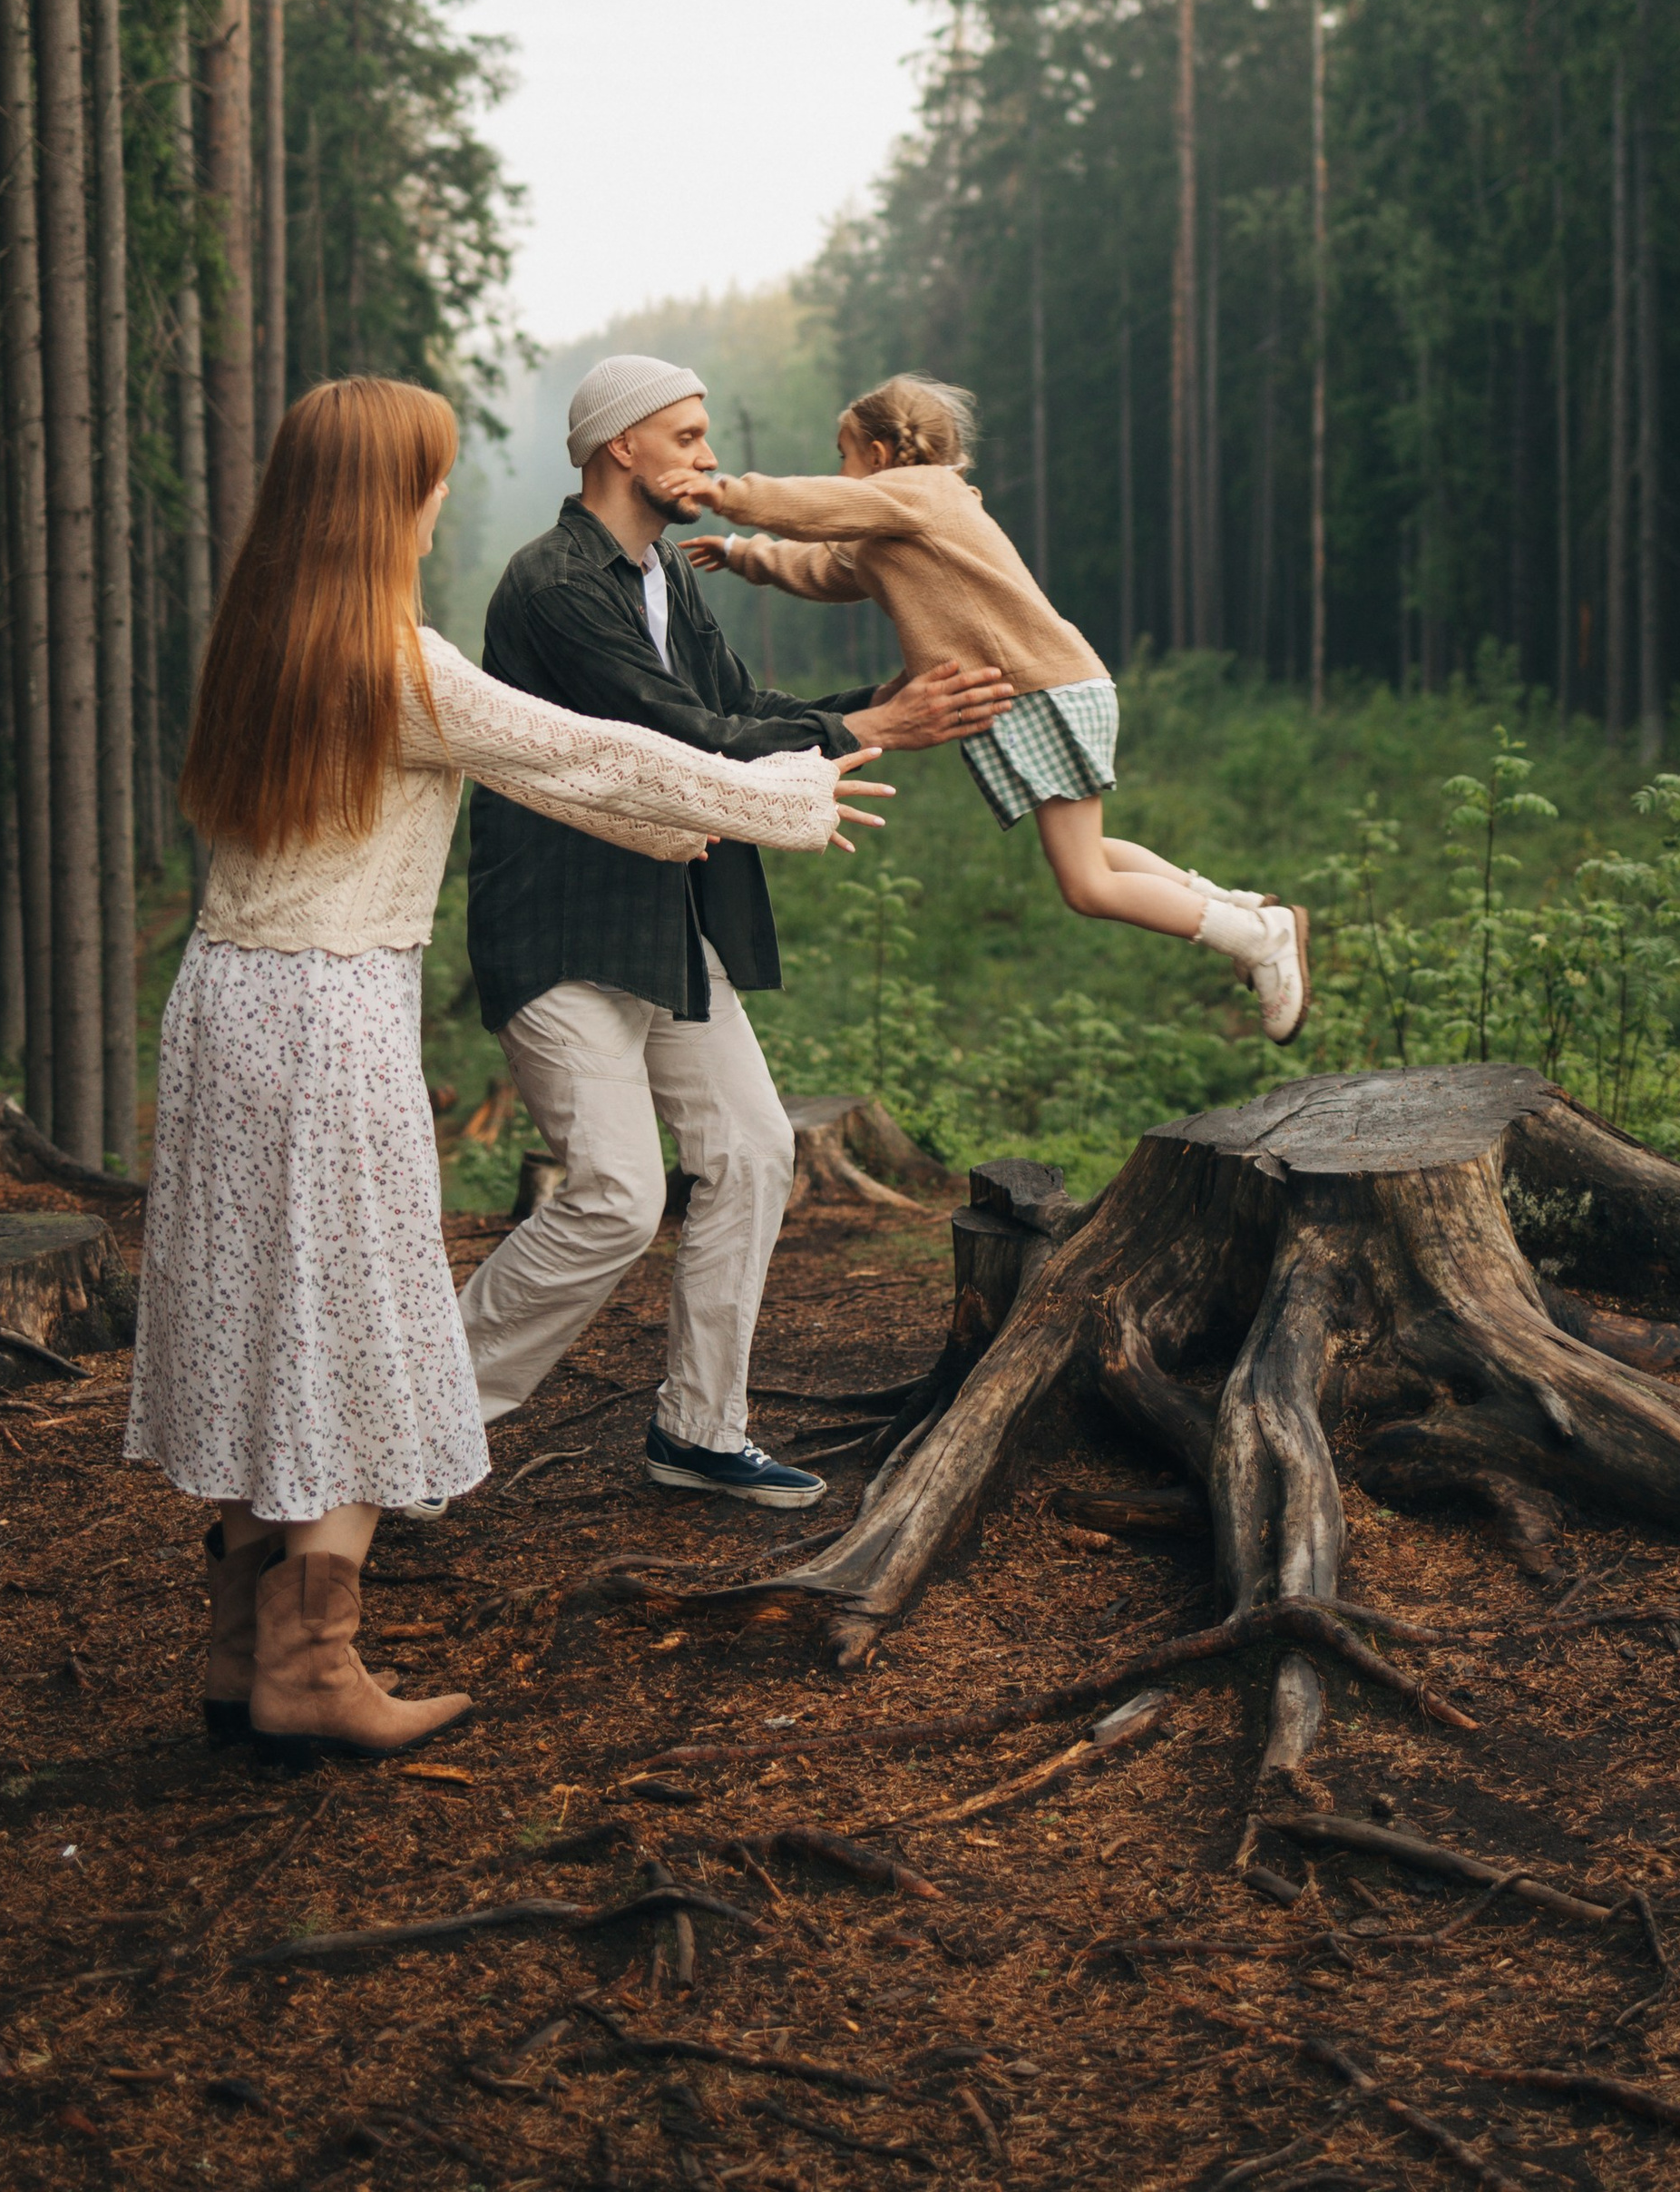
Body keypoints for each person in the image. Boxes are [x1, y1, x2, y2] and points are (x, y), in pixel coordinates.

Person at [124, 374, 884, 1767]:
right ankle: (313, 1662)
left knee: (248, 1319)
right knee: (355, 1325)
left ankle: (239, 1651)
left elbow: (576, 785)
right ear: (380, 504)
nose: (435, 508)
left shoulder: (264, 644)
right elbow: (584, 753)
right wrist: (785, 795)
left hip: (223, 1009)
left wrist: (694, 822)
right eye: (426, 481)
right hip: (328, 1027)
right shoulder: (395, 662)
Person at [459, 354, 1014, 1506]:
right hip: (560, 928)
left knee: (754, 1154)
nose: (709, 458)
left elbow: (743, 708)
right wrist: (877, 724)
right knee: (616, 1196)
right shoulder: (555, 583)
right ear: (622, 446)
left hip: (666, 921)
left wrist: (898, 695)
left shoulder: (664, 576)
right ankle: (419, 1424)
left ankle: (698, 1430)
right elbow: (674, 738)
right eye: (689, 437)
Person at [684, 371, 1309, 1035]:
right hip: (1046, 689)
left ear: (881, 453)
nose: (840, 470)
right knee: (1090, 854)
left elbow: (820, 505)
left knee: (1086, 885)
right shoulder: (891, 528)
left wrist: (726, 496)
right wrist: (742, 554)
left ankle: (1257, 938)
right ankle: (1239, 908)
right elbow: (823, 568)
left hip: (1042, 688)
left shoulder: (923, 491)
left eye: (845, 453)